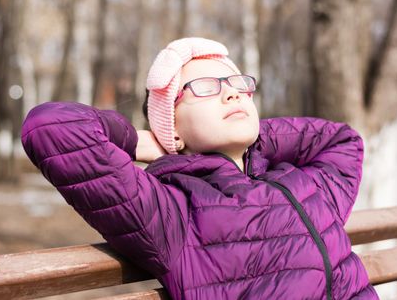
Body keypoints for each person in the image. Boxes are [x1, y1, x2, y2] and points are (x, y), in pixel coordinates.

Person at [21, 37, 378, 299]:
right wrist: (142, 142)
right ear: (171, 124)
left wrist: (255, 137)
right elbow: (50, 127)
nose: (232, 94)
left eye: (238, 85)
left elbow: (342, 140)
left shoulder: (302, 183)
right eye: (205, 87)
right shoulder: (171, 210)